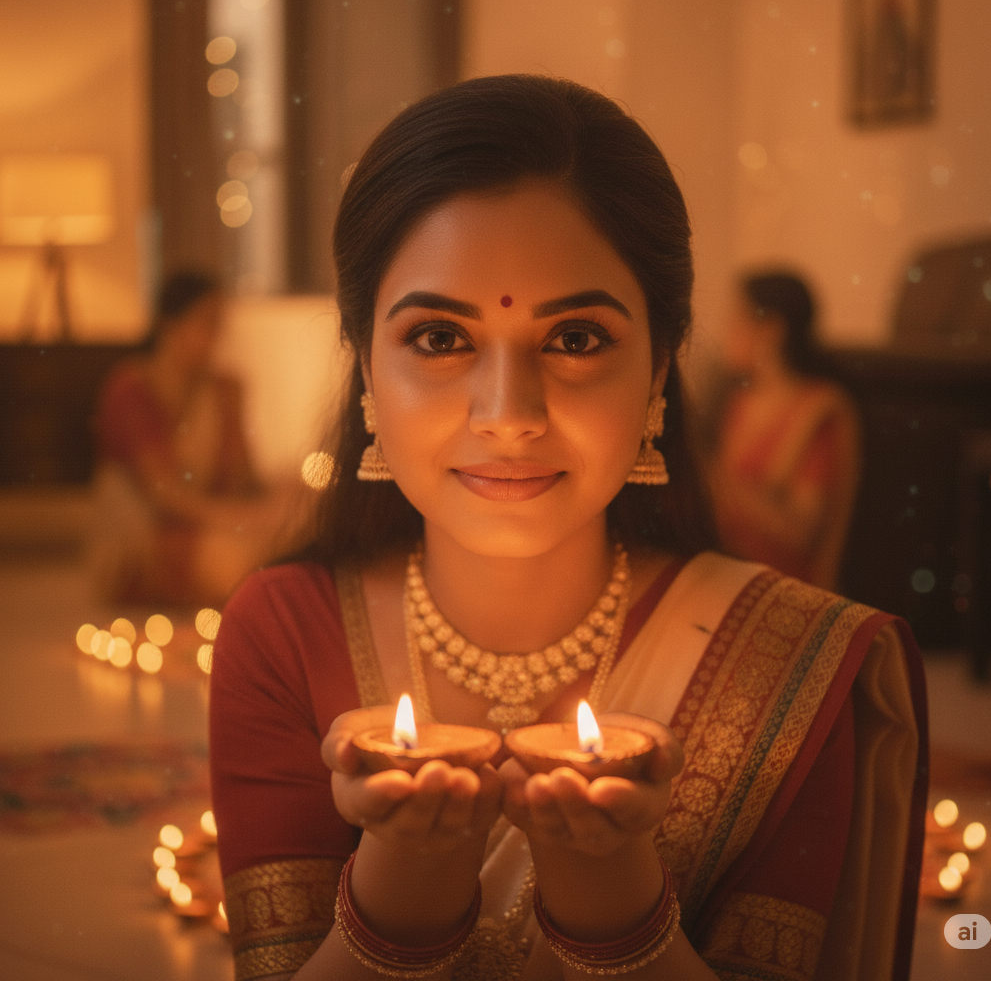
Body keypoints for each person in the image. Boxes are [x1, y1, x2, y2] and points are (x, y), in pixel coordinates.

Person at [209, 76, 926, 981]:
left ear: (660, 367)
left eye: (577, 339)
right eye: (439, 338)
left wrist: (612, 892)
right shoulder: (281, 633)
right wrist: (404, 881)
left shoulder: (790, 665)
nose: (509, 415)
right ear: (364, 368)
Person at [92, 270, 295, 605]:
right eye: (208, 323)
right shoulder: (130, 391)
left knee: (299, 529)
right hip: (145, 537)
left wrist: (284, 492)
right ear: (170, 326)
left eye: (220, 324)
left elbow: (245, 482)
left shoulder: (223, 390)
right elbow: (165, 496)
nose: (218, 335)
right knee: (239, 565)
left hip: (212, 523)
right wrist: (245, 519)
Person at [705, 274, 861, 590]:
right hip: (729, 573)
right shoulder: (738, 401)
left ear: (772, 330)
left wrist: (716, 479)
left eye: (737, 321)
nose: (727, 333)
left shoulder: (818, 408)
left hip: (786, 589)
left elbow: (801, 533)